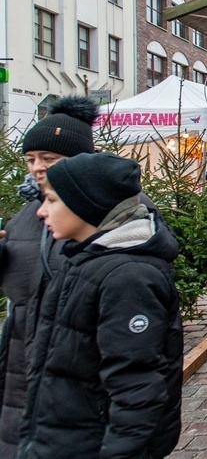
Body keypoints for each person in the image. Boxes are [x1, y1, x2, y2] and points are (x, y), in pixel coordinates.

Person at [20, 152, 182, 458]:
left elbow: (136, 388)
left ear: (87, 204)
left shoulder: (128, 278)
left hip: (91, 441)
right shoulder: (83, 259)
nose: (42, 212)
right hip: (67, 436)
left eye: (52, 200)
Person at [0, 96, 99, 457]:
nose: (37, 168)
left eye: (49, 159)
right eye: (31, 160)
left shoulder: (101, 213)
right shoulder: (25, 215)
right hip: (21, 364)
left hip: (76, 369)